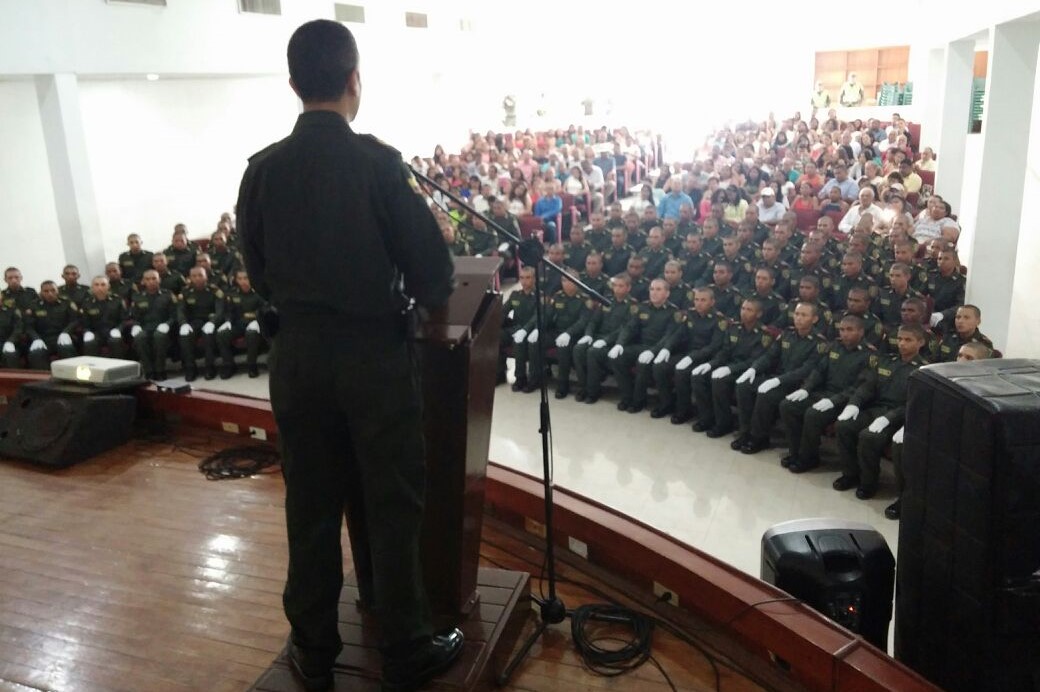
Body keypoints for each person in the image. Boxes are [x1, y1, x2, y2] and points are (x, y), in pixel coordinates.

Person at [236, 21, 460, 692]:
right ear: (355, 80)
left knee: (308, 505)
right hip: (372, 361)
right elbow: (433, 274)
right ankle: (406, 646)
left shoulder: (262, 170)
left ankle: (312, 647)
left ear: (293, 84)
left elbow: (256, 270)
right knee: (391, 505)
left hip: (297, 360)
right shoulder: (378, 163)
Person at [833, 323, 928, 499]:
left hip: (900, 418)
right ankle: (850, 474)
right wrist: (854, 403)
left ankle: (869, 483)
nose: (902, 343)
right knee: (843, 426)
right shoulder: (886, 361)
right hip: (876, 409)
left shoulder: (923, 371)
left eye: (908, 340)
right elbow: (868, 387)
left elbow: (914, 404)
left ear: (920, 342)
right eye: (899, 339)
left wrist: (888, 418)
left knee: (869, 437)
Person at [778, 314, 873, 473]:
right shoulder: (834, 346)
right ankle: (796, 452)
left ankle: (809, 457)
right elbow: (819, 371)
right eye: (842, 329)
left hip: (846, 401)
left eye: (850, 330)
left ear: (861, 332)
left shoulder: (869, 356)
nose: (844, 333)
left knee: (812, 414)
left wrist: (834, 401)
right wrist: (806, 388)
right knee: (788, 406)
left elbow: (860, 386)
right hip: (824, 393)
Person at [734, 302, 829, 454]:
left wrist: (778, 380)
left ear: (815, 319)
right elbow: (770, 356)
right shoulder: (787, 334)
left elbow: (806, 370)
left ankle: (759, 437)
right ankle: (745, 432)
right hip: (777, 378)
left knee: (766, 394)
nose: (798, 318)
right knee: (744, 385)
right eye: (797, 314)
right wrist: (754, 368)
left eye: (804, 315)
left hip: (797, 385)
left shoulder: (819, 343)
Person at [690, 298, 774, 437]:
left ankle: (725, 424)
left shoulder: (764, 335)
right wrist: (711, 364)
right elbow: (725, 351)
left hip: (751, 371)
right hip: (731, 365)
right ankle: (707, 418)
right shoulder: (734, 328)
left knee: (720, 381)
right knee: (699, 376)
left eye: (749, 310)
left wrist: (730, 369)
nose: (744, 313)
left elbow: (754, 360)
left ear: (758, 314)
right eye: (743, 309)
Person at [608, 278, 680, 413]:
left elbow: (669, 336)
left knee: (643, 364)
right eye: (652, 289)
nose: (654, 292)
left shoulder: (673, 313)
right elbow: (629, 328)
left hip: (659, 350)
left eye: (658, 289)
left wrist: (653, 351)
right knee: (617, 358)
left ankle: (638, 401)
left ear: (667, 293)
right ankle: (627, 397)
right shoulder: (643, 307)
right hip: (641, 346)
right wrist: (619, 344)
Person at [667, 287, 729, 424]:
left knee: (694, 376)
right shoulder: (690, 314)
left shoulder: (719, 320)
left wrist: (692, 358)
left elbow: (714, 346)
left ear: (712, 302)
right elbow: (678, 335)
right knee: (662, 366)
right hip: (688, 354)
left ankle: (706, 417)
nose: (698, 303)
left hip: (707, 358)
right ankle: (680, 409)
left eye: (703, 300)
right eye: (696, 299)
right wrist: (666, 349)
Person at [575, 273, 638, 404]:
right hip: (598, 337)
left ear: (628, 288)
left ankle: (593, 392)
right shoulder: (606, 300)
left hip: (616, 342)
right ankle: (584, 388)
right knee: (578, 349)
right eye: (615, 285)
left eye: (621, 286)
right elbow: (593, 321)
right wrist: (588, 335)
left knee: (593, 352)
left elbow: (625, 328)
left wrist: (605, 341)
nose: (617, 289)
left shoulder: (633, 306)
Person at [216, 270, 269, 378]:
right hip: (238, 324)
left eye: (246, 278)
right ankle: (229, 365)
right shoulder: (232, 293)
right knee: (222, 334)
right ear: (236, 280)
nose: (243, 281)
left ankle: (252, 366)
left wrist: (257, 320)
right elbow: (229, 311)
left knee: (252, 334)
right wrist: (228, 321)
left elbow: (266, 308)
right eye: (240, 279)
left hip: (256, 324)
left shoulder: (259, 292)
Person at [177, 267, 225, 381]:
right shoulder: (185, 292)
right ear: (189, 278)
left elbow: (220, 310)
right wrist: (183, 323)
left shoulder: (215, 290)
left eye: (200, 275)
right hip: (194, 322)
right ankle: (190, 368)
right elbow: (180, 310)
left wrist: (213, 322)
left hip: (211, 321)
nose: (197, 278)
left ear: (206, 277)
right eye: (194, 276)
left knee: (208, 336)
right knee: (185, 336)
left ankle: (210, 368)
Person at [129, 269, 177, 380]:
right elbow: (135, 317)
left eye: (154, 278)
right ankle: (149, 371)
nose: (151, 281)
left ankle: (160, 370)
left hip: (164, 327)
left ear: (159, 280)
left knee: (159, 336)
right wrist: (136, 325)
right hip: (145, 328)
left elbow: (174, 315)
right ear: (143, 282)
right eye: (147, 279)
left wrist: (167, 324)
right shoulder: (137, 297)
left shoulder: (168, 295)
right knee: (139, 338)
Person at [24, 280, 79, 370]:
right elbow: (28, 326)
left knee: (67, 349)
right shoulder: (34, 305)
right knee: (36, 354)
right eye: (46, 291)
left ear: (58, 291)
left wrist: (66, 332)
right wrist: (36, 338)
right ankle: (43, 380)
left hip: (62, 337)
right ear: (41, 292)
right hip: (43, 339)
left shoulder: (66, 303)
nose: (50, 293)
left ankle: (70, 379)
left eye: (53, 290)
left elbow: (75, 320)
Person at [79, 276, 129, 359]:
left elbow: (124, 319)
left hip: (113, 331)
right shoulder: (87, 303)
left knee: (115, 341)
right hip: (96, 333)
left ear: (108, 286)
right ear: (92, 287)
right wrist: (87, 332)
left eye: (103, 285)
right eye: (96, 285)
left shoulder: (117, 300)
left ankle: (119, 368)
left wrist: (118, 329)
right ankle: (94, 369)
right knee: (89, 343)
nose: (100, 288)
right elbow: (85, 322)